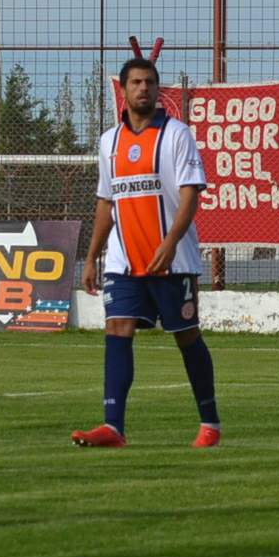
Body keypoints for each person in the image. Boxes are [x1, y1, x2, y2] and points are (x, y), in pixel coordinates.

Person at [72, 56, 218, 449]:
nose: (143, 89)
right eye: (136, 82)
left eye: (150, 82)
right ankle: (113, 427)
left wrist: (170, 244)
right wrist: (91, 257)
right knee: (117, 328)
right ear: (123, 89)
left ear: (157, 89)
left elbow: (190, 193)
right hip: (123, 261)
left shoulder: (177, 135)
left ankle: (210, 423)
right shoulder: (109, 141)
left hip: (174, 260)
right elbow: (106, 201)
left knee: (186, 336)